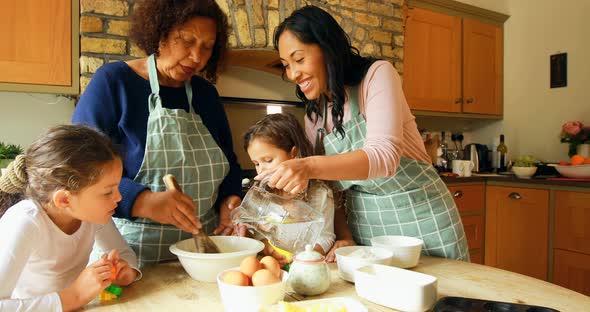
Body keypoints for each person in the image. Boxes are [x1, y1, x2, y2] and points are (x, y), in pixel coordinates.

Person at [259, 5, 469, 262]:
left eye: (299, 60)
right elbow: (332, 190)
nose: (293, 74)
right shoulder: (314, 114)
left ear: (327, 48)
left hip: (421, 219)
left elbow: (384, 158)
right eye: (286, 65)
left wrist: (307, 165)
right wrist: (344, 236)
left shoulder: (377, 76)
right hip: (366, 228)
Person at [72, 0, 242, 266]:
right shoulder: (115, 82)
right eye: (186, 41)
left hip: (201, 257)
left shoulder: (206, 95)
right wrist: (144, 201)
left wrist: (230, 200)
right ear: (160, 34)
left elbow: (229, 164)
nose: (197, 57)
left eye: (207, 47)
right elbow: (78, 168)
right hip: (128, 257)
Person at [0, 125, 140, 311]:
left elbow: (124, 253)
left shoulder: (90, 214)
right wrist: (75, 296)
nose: (119, 197)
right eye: (108, 192)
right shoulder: (25, 223)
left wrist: (126, 271)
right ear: (64, 199)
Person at [242, 113, 335, 266]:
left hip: (306, 266)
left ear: (293, 153)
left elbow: (326, 236)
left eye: (268, 160)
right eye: (256, 163)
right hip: (272, 266)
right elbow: (258, 231)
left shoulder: (320, 193)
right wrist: (266, 246)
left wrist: (308, 257)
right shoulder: (262, 196)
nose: (261, 170)